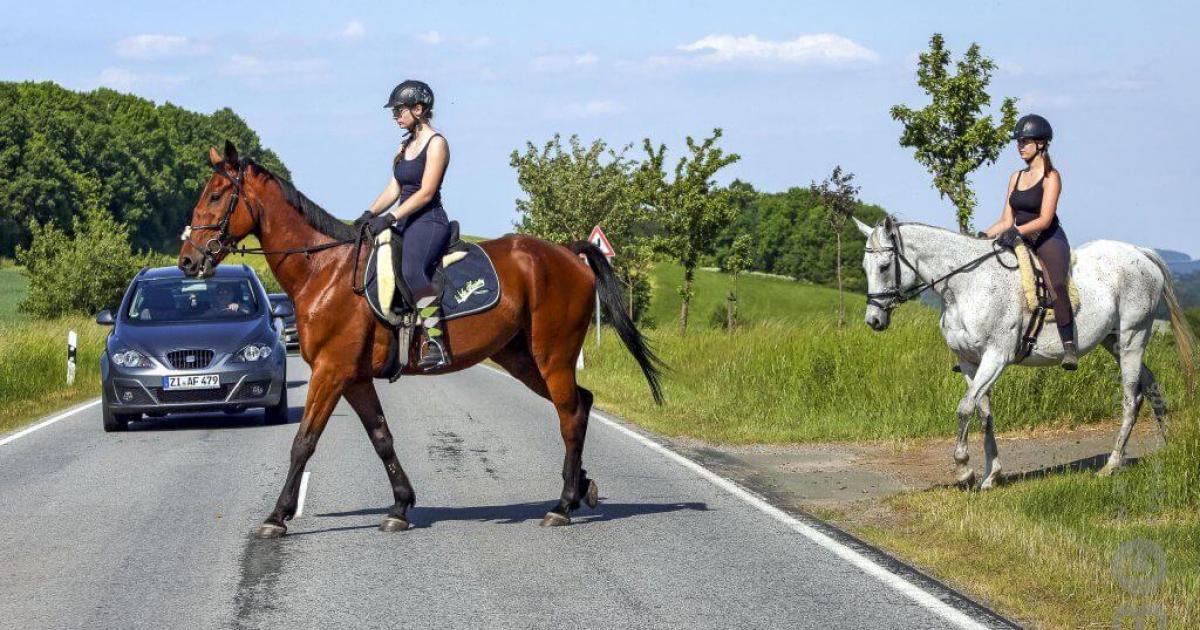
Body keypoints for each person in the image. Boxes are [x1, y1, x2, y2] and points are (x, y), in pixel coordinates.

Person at [356, 80, 452, 370]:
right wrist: (368, 213)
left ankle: (436, 341)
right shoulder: (404, 145)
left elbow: (425, 192)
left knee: (411, 270)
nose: (395, 115)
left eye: (399, 110)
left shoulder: (437, 144)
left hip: (429, 221)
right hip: (404, 219)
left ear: (419, 109)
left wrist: (391, 217)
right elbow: (393, 189)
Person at [980, 114, 1077, 369]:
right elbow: (1005, 219)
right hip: (1018, 235)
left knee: (1056, 284)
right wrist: (984, 235)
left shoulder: (1051, 177)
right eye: (1018, 141)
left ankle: (1069, 346)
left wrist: (1017, 231)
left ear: (1042, 143)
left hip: (1047, 238)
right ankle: (977, 348)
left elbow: (1045, 219)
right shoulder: (1016, 177)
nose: (1020, 146)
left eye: (1025, 141)